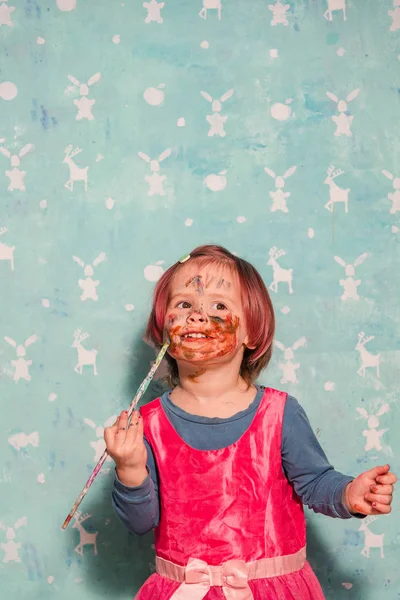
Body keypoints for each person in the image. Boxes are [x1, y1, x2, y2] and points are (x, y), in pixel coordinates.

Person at [105, 244, 396, 600]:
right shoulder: (146, 425)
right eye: (184, 304)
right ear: (164, 329)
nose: (198, 315)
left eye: (219, 305)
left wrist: (349, 494)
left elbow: (316, 482)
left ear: (252, 333)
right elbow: (139, 523)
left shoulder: (280, 414)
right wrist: (130, 467)